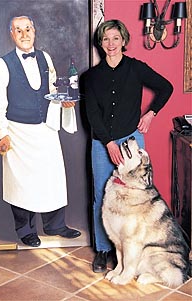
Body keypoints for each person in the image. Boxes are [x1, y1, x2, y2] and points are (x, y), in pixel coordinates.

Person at [84, 19, 173, 273]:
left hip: (131, 142)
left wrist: (151, 113)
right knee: (102, 196)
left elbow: (166, 87)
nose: (110, 44)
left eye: (115, 38)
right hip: (102, 143)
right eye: (105, 39)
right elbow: (91, 114)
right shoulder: (90, 77)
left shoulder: (136, 69)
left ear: (123, 41)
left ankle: (135, 248)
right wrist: (108, 143)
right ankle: (103, 250)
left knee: (137, 198)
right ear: (100, 44)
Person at [0, 15, 81, 247]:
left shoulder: (45, 58)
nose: (24, 34)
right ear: (11, 34)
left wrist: (64, 102)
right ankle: (26, 230)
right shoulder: (3, 64)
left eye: (28, 29)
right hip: (18, 132)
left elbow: (52, 90)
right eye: (18, 30)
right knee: (21, 183)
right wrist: (3, 133)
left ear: (35, 31)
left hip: (45, 128)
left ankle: (55, 225)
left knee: (52, 177)